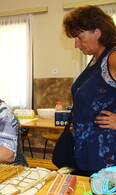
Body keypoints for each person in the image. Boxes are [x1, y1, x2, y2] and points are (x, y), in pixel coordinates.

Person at [63, 5, 116, 176]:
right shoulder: (96, 59)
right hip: (88, 155)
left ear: (98, 32)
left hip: (108, 158)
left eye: (79, 37)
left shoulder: (113, 57)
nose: (76, 44)